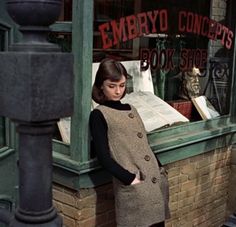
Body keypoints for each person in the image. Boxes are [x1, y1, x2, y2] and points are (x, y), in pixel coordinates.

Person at [89, 58, 170, 227]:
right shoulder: (99, 114)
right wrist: (129, 179)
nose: (118, 91)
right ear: (100, 86)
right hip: (136, 186)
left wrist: (160, 168)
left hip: (154, 179)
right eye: (112, 86)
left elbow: (144, 144)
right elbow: (103, 157)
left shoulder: (131, 109)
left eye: (122, 85)